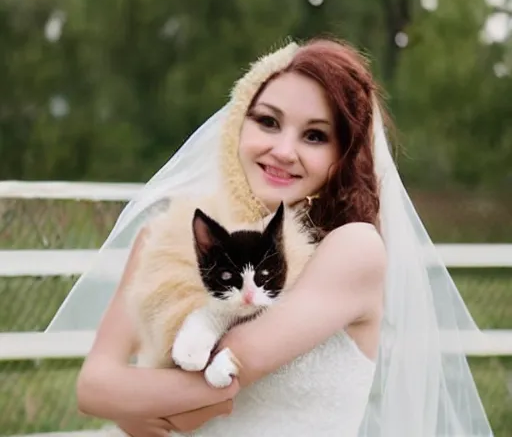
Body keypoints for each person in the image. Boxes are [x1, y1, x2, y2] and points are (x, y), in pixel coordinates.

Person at [46, 38, 494, 437]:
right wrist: (126, 404)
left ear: (342, 157)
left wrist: (133, 404)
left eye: (315, 136)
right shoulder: (169, 238)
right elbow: (92, 386)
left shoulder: (353, 248)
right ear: (238, 124)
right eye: (267, 122)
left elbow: (218, 385)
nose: (283, 150)